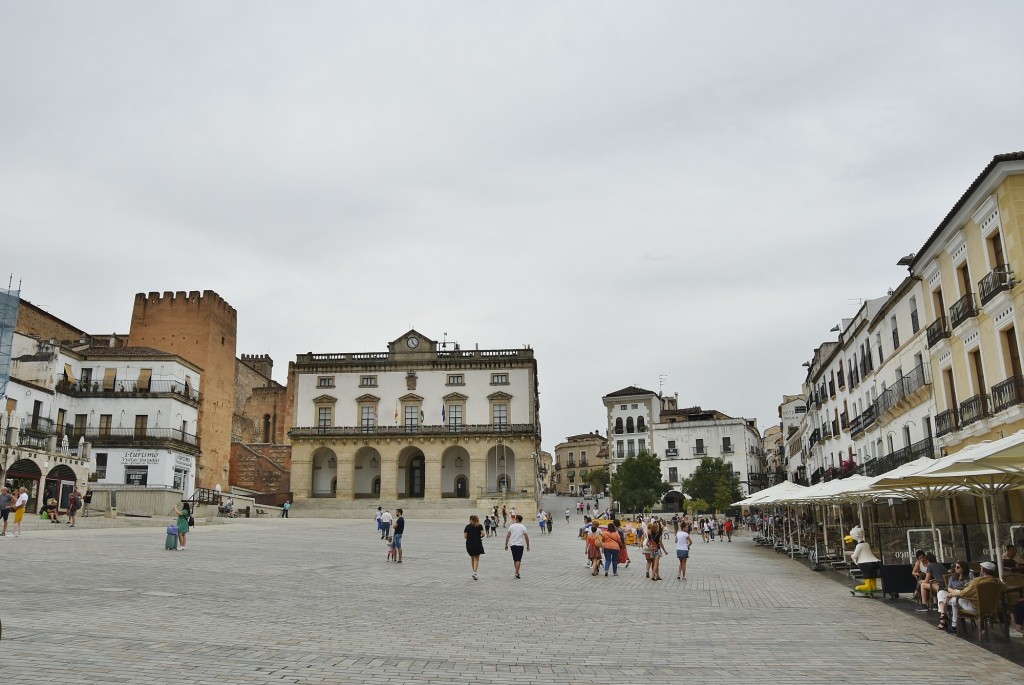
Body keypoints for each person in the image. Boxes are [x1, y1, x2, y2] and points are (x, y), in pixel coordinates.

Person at [948, 561, 1005, 634]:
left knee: (954, 601)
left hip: (976, 608)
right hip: (991, 608)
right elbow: (1004, 589)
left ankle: (954, 626)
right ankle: (982, 628)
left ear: (983, 570)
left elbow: (963, 594)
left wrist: (953, 593)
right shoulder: (996, 581)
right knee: (957, 598)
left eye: (981, 568)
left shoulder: (977, 581)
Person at [936, 560, 970, 632]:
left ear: (963, 568)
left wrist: (953, 593)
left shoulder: (968, 577)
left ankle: (943, 620)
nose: (956, 568)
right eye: (955, 567)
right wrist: (952, 593)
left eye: (958, 567)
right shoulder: (953, 577)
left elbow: (967, 589)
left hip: (961, 597)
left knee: (947, 599)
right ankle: (943, 615)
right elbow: (949, 588)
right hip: (952, 596)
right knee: (941, 593)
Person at [504, 514, 530, 579]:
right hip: (520, 545)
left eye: (516, 518)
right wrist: (528, 545)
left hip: (512, 544)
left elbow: (508, 535)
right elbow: (526, 537)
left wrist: (506, 544)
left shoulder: (511, 526)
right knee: (518, 559)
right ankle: (516, 573)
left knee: (515, 559)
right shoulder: (523, 527)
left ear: (517, 519)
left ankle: (517, 573)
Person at [464, 515, 485, 579]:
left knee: (472, 558)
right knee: (476, 559)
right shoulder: (479, 526)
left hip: (469, 544)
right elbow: (483, 534)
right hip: (477, 543)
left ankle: (474, 572)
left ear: (471, 519)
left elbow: (465, 536)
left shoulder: (467, 527)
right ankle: (475, 573)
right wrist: (480, 536)